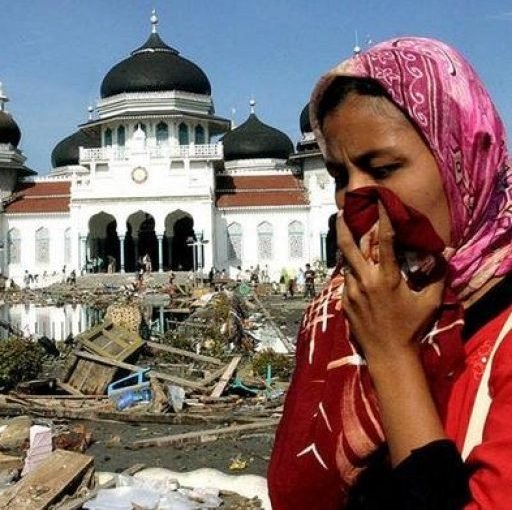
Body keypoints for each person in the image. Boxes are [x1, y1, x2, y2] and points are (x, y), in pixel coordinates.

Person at [269, 37, 512, 509]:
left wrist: (393, 355)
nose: (354, 198)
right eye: (340, 177)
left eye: (381, 168)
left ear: (462, 159)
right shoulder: (355, 308)